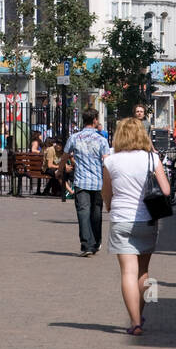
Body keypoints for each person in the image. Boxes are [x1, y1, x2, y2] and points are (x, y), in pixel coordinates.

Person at [102, 118, 171, 335]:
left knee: (127, 272)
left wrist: (109, 205)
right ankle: (138, 314)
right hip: (147, 219)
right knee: (143, 272)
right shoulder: (152, 158)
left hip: (121, 218)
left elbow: (107, 193)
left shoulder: (111, 161)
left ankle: (135, 322)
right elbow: (167, 191)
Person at [64, 109, 111, 255]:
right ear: (95, 120)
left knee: (83, 212)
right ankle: (96, 243)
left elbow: (65, 155)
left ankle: (86, 244)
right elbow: (106, 161)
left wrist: (60, 169)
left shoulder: (74, 138)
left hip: (81, 181)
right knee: (96, 213)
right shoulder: (102, 140)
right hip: (97, 182)